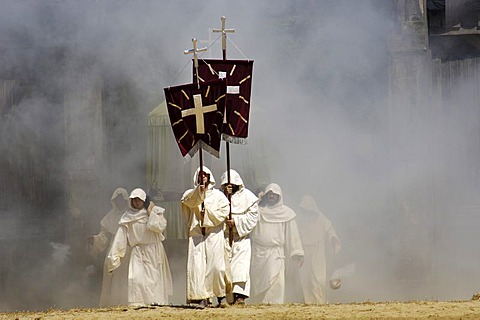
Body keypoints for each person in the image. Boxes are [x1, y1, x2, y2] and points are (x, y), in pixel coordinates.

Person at [107, 188, 173, 307]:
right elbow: (120, 238)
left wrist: (150, 212)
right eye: (134, 200)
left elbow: (159, 227)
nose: (136, 202)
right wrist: (115, 257)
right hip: (137, 252)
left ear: (144, 201)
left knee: (153, 280)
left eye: (139, 200)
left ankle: (155, 303)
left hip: (153, 251)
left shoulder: (154, 212)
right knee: (136, 279)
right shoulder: (127, 217)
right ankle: (139, 303)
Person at [180, 166, 230, 308]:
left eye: (205, 175)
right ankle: (201, 297)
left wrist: (207, 214)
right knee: (198, 267)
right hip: (197, 235)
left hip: (214, 234)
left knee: (216, 266)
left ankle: (220, 296)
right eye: (200, 175)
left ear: (209, 177)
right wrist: (199, 193)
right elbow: (189, 201)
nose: (203, 177)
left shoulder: (219, 196)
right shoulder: (191, 193)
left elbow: (224, 212)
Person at [250, 183, 304, 304]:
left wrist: (297, 253)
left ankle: (274, 308)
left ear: (279, 196)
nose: (271, 196)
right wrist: (257, 201)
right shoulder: (258, 211)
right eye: (269, 194)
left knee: (275, 281)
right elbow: (248, 220)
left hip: (275, 254)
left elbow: (292, 235)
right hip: (259, 253)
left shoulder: (286, 213)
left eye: (274, 194)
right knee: (259, 286)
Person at [220, 169, 259, 305]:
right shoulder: (220, 197)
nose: (229, 186)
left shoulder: (249, 197)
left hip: (241, 239)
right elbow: (214, 214)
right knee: (225, 268)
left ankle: (240, 297)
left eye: (232, 183)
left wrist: (235, 222)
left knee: (240, 267)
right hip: (224, 238)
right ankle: (227, 298)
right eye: (226, 184)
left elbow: (253, 217)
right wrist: (226, 196)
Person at [87, 187, 129, 307]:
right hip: (113, 249)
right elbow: (104, 236)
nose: (120, 202)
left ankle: (126, 302)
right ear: (114, 201)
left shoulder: (132, 214)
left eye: (122, 199)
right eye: (118, 199)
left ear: (126, 200)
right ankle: (113, 303)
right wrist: (95, 239)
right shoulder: (110, 217)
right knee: (112, 274)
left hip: (128, 249)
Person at [295, 195, 341, 304]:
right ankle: (309, 303)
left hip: (317, 252)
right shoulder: (298, 220)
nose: (306, 212)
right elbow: (294, 235)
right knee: (305, 280)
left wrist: (333, 238)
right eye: (304, 209)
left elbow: (330, 230)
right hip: (304, 253)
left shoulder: (321, 218)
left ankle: (320, 302)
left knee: (318, 279)